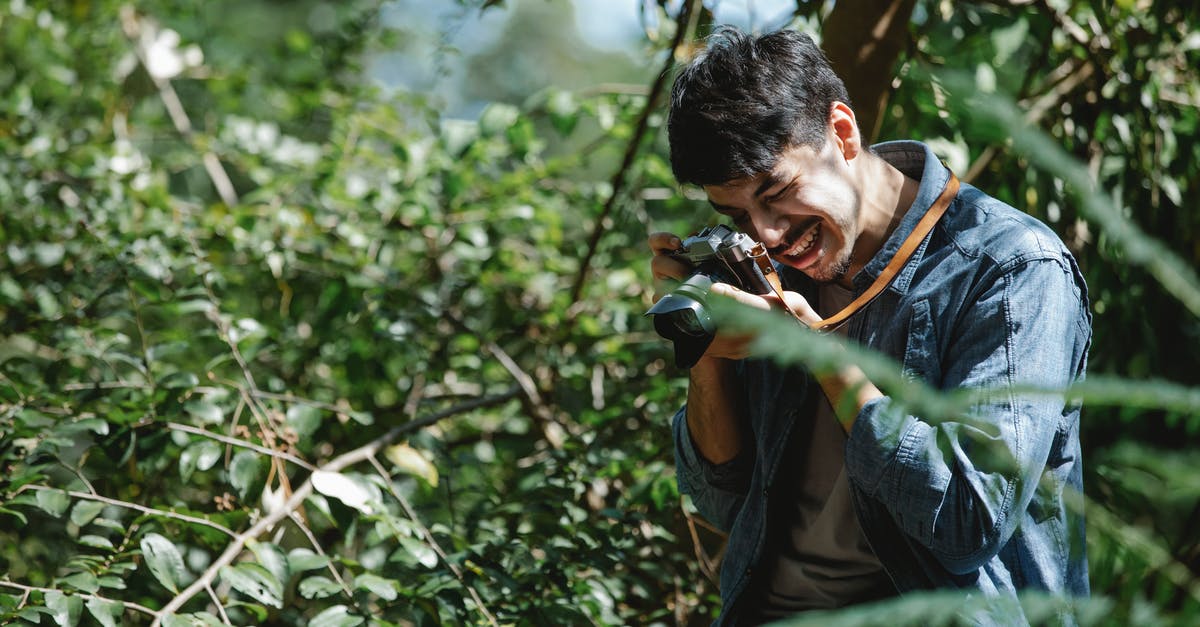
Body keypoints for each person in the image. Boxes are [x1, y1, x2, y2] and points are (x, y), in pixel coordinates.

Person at [648, 26, 1091, 625]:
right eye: (737, 215)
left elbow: (969, 520)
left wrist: (824, 359)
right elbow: (722, 502)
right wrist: (703, 350)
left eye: (778, 193)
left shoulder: (1009, 268)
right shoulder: (767, 266)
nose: (770, 236)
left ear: (843, 132)